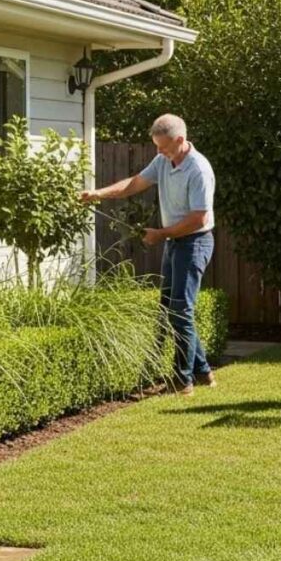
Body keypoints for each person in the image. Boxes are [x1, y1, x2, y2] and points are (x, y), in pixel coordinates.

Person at [82, 114, 216, 396]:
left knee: (181, 309)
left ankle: (183, 381)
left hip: (195, 243)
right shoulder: (163, 161)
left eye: (163, 146)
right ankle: (203, 372)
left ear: (180, 140)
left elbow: (199, 219)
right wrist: (98, 194)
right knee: (172, 308)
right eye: (156, 146)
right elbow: (134, 183)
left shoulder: (198, 170)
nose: (158, 152)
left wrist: (161, 234)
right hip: (175, 243)